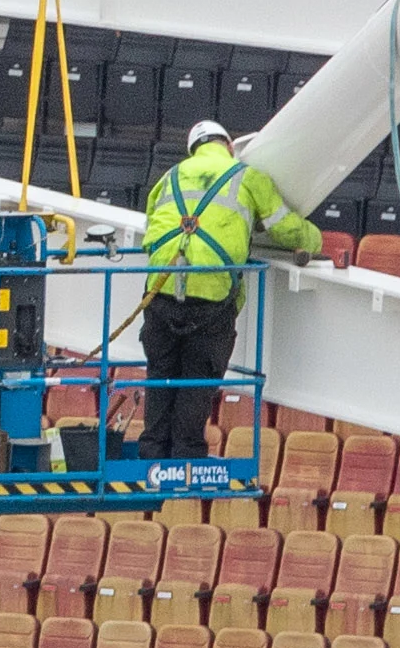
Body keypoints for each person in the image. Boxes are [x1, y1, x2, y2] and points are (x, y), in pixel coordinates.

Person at [137, 116, 326, 459]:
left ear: (194, 150)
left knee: (161, 373)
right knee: (198, 376)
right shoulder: (247, 177)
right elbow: (285, 228)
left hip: (160, 291)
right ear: (227, 146)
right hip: (211, 297)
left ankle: (152, 452)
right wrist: (315, 240)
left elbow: (151, 227)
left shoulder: (170, 177)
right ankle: (186, 454)